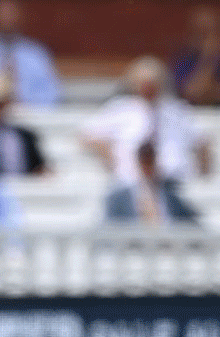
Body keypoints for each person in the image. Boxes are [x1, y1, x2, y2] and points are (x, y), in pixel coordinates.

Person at [80, 56, 211, 224]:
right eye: (144, 83)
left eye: (153, 83)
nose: (148, 88)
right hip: (131, 182)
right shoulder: (121, 108)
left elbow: (202, 140)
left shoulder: (177, 110)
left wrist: (204, 174)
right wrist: (108, 156)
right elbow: (88, 134)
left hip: (174, 183)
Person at [170, 5, 220, 107]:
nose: (208, 39)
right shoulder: (184, 58)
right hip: (193, 115)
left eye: (212, 32)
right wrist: (208, 58)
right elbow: (194, 94)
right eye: (202, 32)